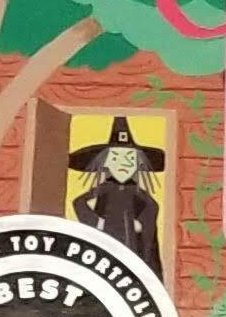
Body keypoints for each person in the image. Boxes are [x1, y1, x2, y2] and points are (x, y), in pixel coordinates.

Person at [66, 116, 167, 274]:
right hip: (104, 246)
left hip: (133, 249)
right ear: (105, 161)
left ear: (139, 163)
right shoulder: (105, 188)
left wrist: (141, 224)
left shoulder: (137, 192)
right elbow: (79, 202)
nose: (123, 163)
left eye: (130, 158)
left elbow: (152, 207)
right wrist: (97, 223)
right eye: (115, 157)